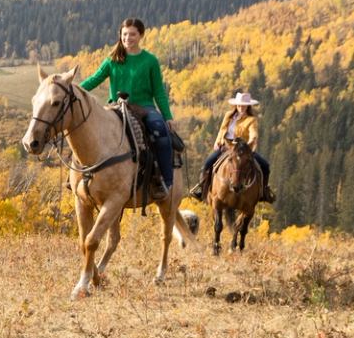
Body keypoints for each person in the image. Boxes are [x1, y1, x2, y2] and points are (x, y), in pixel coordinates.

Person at [78, 17, 175, 190]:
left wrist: (167, 116)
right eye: (124, 34)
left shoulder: (150, 61)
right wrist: (73, 90)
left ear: (141, 35)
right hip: (116, 106)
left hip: (144, 107)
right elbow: (94, 80)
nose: (128, 38)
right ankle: (79, 175)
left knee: (160, 130)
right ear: (120, 35)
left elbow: (159, 91)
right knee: (87, 129)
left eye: (132, 34)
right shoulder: (112, 60)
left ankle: (165, 181)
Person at [191, 91, 274, 203]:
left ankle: (263, 192)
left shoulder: (251, 120)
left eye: (244, 105)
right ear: (236, 105)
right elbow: (222, 129)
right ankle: (201, 189)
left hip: (243, 149)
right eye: (239, 105)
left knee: (265, 166)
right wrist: (217, 141)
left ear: (248, 106)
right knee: (207, 164)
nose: (241, 107)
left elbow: (253, 133)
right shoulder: (228, 115)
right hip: (226, 146)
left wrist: (250, 143)